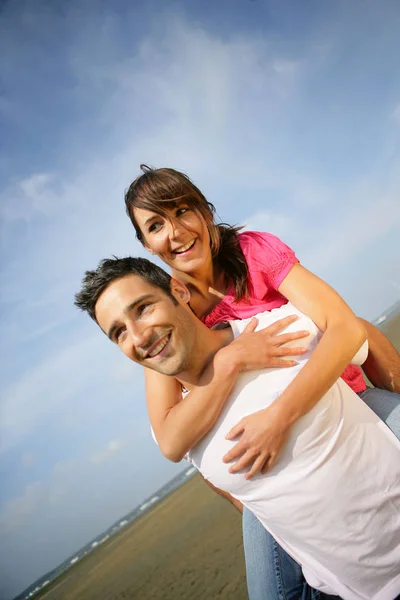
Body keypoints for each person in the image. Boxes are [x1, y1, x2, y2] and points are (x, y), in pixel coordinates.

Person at [123, 166, 400, 599]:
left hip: (346, 400)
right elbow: (173, 434)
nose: (175, 233)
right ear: (145, 244)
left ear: (204, 210)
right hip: (265, 462)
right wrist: (260, 501)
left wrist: (278, 417)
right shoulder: (167, 308)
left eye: (182, 211)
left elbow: (348, 328)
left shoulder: (253, 253)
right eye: (156, 225)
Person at [74, 257, 400, 600]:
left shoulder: (279, 328)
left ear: (178, 290)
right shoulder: (178, 426)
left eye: (143, 308)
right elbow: (232, 490)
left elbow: (361, 336)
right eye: (119, 332)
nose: (138, 337)